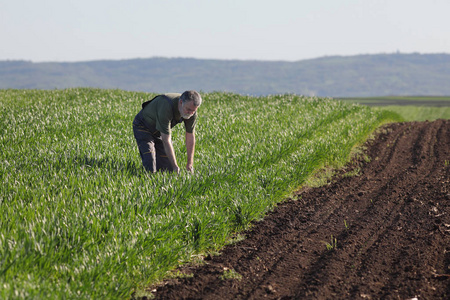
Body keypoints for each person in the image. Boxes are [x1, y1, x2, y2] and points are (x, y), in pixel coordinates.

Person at [133, 90, 202, 174]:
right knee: (150, 163)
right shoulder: (166, 106)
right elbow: (166, 140)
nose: (190, 113)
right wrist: (175, 166)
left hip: (159, 131)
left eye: (193, 111)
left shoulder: (191, 111)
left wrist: (190, 164)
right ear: (181, 102)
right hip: (143, 126)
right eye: (188, 109)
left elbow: (190, 136)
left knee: (167, 170)